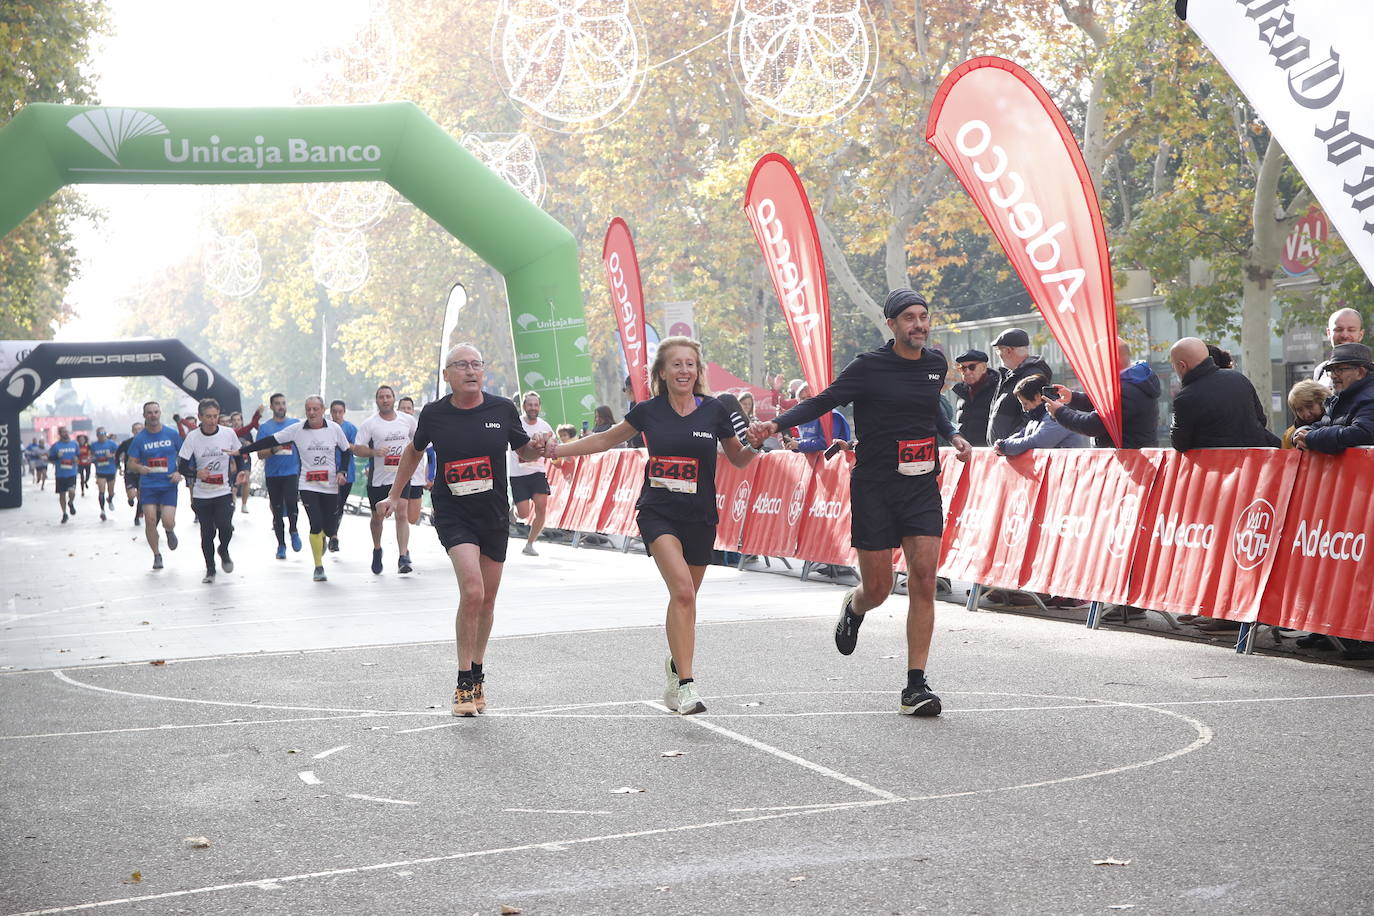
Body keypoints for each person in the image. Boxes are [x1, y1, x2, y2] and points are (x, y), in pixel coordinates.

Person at [751, 289, 973, 717]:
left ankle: (915, 686)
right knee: (879, 588)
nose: (919, 325)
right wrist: (775, 423)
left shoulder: (934, 364)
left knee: (924, 577)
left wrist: (953, 435)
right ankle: (854, 607)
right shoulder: (868, 366)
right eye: (909, 317)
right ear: (891, 324)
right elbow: (822, 401)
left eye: (924, 316)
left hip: (922, 483)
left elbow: (932, 412)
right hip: (874, 485)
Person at [550, 337, 758, 715]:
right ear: (661, 372)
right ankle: (686, 685)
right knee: (681, 591)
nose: (684, 371)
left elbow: (739, 460)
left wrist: (756, 444)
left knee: (688, 599)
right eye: (676, 364)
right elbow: (604, 440)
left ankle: (676, 665)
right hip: (658, 511)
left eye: (690, 364)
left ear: (698, 371)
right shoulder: (648, 411)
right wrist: (555, 450)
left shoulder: (714, 411)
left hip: (700, 515)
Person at [375, 344, 550, 717]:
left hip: (493, 514)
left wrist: (538, 447)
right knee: (472, 590)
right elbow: (414, 451)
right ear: (447, 375)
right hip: (453, 512)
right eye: (462, 365)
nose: (471, 371)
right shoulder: (435, 414)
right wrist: (394, 495)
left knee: (486, 600)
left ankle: (479, 673)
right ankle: (462, 682)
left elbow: (524, 453)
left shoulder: (502, 408)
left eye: (476, 365)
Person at [240, 396, 353, 581]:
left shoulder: (334, 429)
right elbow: (268, 441)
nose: (312, 413)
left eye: (316, 409)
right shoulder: (298, 428)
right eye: (308, 409)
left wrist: (342, 472)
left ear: (323, 409)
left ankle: (324, 537)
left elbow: (346, 450)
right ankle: (318, 566)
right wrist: (242, 451)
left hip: (330, 485)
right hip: (306, 483)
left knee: (330, 527)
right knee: (314, 524)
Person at [177, 399, 246, 584]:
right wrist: (195, 472)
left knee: (225, 526)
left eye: (215, 416)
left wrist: (240, 472)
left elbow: (239, 456)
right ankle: (210, 568)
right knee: (207, 533)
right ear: (200, 417)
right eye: (208, 417)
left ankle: (223, 549)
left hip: (223, 490)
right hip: (202, 493)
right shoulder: (193, 437)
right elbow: (182, 466)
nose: (212, 420)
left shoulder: (228, 433)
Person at [1168, 337, 1280, 450]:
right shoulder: (1239, 378)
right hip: (1257, 461)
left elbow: (1180, 443)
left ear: (1182, 366)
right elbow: (1261, 419)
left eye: (1174, 365)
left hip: (1216, 465)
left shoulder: (1185, 398)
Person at [1045, 341, 1162, 448]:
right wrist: (1072, 397)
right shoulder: (1133, 381)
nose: (1096, 365)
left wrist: (1059, 412)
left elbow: (1091, 426)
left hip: (1129, 463)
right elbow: (1105, 406)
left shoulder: (1123, 390)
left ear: (1111, 359)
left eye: (1098, 360)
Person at [354, 385, 417, 575]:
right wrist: (374, 452)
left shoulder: (407, 420)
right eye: (381, 397)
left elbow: (420, 441)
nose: (385, 400)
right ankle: (377, 548)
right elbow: (357, 448)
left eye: (388, 396)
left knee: (402, 513)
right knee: (377, 518)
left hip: (401, 476)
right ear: (377, 401)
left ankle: (403, 556)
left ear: (394, 399)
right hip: (378, 478)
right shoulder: (370, 424)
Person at [125, 403, 182, 570]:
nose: (153, 415)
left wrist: (180, 472)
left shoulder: (171, 434)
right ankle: (157, 555)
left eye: (156, 412)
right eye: (149, 412)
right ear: (144, 415)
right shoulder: (140, 439)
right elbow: (130, 463)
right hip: (149, 485)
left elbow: (185, 454)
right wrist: (139, 468)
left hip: (168, 484)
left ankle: (169, 531)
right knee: (150, 521)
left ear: (160, 413)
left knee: (168, 521)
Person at [1295, 343, 1374, 454]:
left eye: (1339, 370)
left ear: (1360, 372)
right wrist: (1301, 434)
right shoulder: (1338, 399)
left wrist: (1313, 438)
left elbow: (1362, 433)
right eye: (1331, 370)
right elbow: (1324, 424)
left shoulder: (1369, 398)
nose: (1333, 375)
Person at [508, 391, 555, 557]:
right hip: (518, 474)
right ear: (524, 406)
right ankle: (514, 510)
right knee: (524, 513)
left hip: (537, 472)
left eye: (536, 405)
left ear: (539, 407)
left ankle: (530, 544)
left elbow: (553, 443)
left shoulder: (545, 426)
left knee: (541, 507)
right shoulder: (516, 423)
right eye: (530, 405)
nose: (533, 408)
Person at [986, 328, 1052, 443]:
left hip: (1015, 451)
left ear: (1009, 350)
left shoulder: (1031, 375)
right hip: (1007, 450)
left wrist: (1012, 443)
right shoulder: (1011, 376)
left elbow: (1032, 414)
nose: (998, 354)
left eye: (998, 350)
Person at [257, 393, 302, 559]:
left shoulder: (295, 424)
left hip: (291, 472)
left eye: (283, 403)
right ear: (271, 407)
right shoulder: (265, 428)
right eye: (277, 404)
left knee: (291, 503)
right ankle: (281, 545)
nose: (281, 406)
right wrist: (273, 450)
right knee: (276, 511)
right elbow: (260, 454)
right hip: (273, 474)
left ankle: (294, 531)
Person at [993, 376, 1087, 456]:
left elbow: (1037, 442)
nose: (1024, 409)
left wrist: (1005, 447)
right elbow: (1023, 434)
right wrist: (1002, 444)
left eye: (1025, 404)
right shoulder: (1037, 417)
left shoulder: (1057, 416)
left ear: (1037, 396)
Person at [397, 397, 432, 541]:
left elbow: (431, 453)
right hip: (401, 477)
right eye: (403, 408)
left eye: (408, 408)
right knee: (402, 514)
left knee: (412, 517)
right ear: (398, 410)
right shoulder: (395, 428)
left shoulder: (420, 428)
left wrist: (430, 476)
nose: (406, 411)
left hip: (417, 478)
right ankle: (403, 550)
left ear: (413, 410)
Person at [326, 399, 359, 551]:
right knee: (330, 504)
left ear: (344, 412)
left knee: (339, 505)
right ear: (330, 412)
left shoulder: (350, 428)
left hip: (347, 474)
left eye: (340, 412)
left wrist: (344, 443)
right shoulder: (325, 427)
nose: (337, 415)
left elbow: (358, 448)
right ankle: (332, 535)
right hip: (327, 473)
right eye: (334, 412)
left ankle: (333, 534)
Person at [784, 382, 853, 454]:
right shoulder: (804, 418)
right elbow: (808, 441)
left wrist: (799, 445)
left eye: (810, 397)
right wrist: (793, 444)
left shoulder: (832, 416)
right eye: (802, 398)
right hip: (814, 463)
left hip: (835, 462)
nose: (806, 401)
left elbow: (827, 443)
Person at [951, 349, 995, 447]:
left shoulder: (997, 389)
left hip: (989, 453)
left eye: (972, 367)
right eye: (962, 368)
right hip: (967, 452)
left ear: (984, 367)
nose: (966, 372)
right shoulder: (961, 391)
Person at [1312, 308, 1365, 387]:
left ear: (1361, 334)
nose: (1345, 335)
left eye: (1351, 330)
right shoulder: (1320, 372)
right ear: (1329, 333)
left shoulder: (1371, 371)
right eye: (1338, 330)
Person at [1282, 379, 1329, 449]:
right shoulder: (1288, 435)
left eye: (1310, 406)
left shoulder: (1337, 424)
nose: (1307, 414)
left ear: (1321, 401)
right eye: (1299, 410)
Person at [48, 427, 80, 523]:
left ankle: (70, 502)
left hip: (72, 472)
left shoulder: (74, 444)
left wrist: (76, 459)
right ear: (60, 434)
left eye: (67, 432)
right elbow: (50, 458)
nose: (66, 434)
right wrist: (56, 456)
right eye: (63, 432)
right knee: (62, 494)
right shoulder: (55, 446)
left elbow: (78, 456)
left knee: (72, 492)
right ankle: (64, 513)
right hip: (60, 474)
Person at [115, 421, 143, 523]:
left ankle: (137, 517)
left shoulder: (146, 442)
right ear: (132, 431)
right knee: (132, 495)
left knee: (141, 496)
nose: (138, 431)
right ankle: (130, 499)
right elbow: (117, 454)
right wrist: (118, 466)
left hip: (142, 473)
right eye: (136, 430)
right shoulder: (127, 443)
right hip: (130, 473)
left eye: (140, 429)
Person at [90, 428, 120, 521]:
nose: (102, 435)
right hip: (100, 471)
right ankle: (102, 511)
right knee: (101, 491)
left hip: (111, 470)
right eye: (100, 433)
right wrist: (93, 458)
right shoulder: (94, 445)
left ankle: (110, 499)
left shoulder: (112, 444)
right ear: (97, 435)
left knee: (111, 492)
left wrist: (111, 456)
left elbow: (120, 455)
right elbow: (91, 456)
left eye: (103, 433)